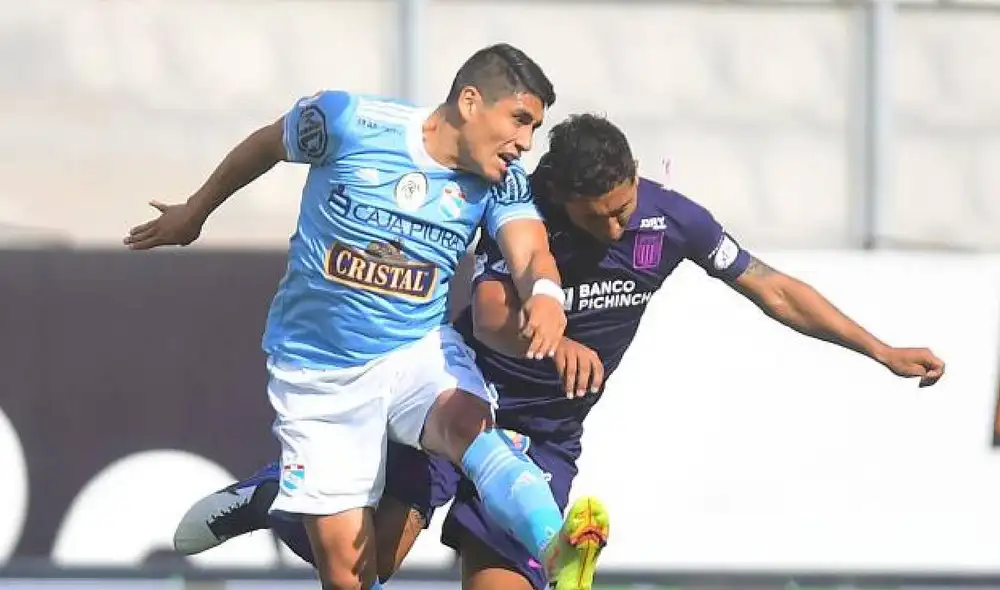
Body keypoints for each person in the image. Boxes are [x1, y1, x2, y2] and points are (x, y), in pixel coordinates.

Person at [172, 114, 946, 590]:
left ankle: (299, 497)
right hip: (451, 403)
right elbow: (492, 308)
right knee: (370, 567)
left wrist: (878, 348)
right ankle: (279, 495)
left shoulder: (669, 222)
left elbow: (770, 286)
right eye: (597, 216)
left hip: (545, 437)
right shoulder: (522, 211)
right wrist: (555, 336)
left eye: (622, 209)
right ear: (561, 196)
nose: (615, 229)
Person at [125, 43, 607, 590]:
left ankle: (557, 545)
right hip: (318, 374)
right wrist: (195, 212)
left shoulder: (500, 181)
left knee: (466, 423)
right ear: (471, 102)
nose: (525, 143)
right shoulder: (347, 122)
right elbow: (265, 145)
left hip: (413, 350)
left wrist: (544, 294)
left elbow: (529, 251)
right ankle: (269, 497)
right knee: (350, 575)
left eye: (534, 129)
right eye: (520, 121)